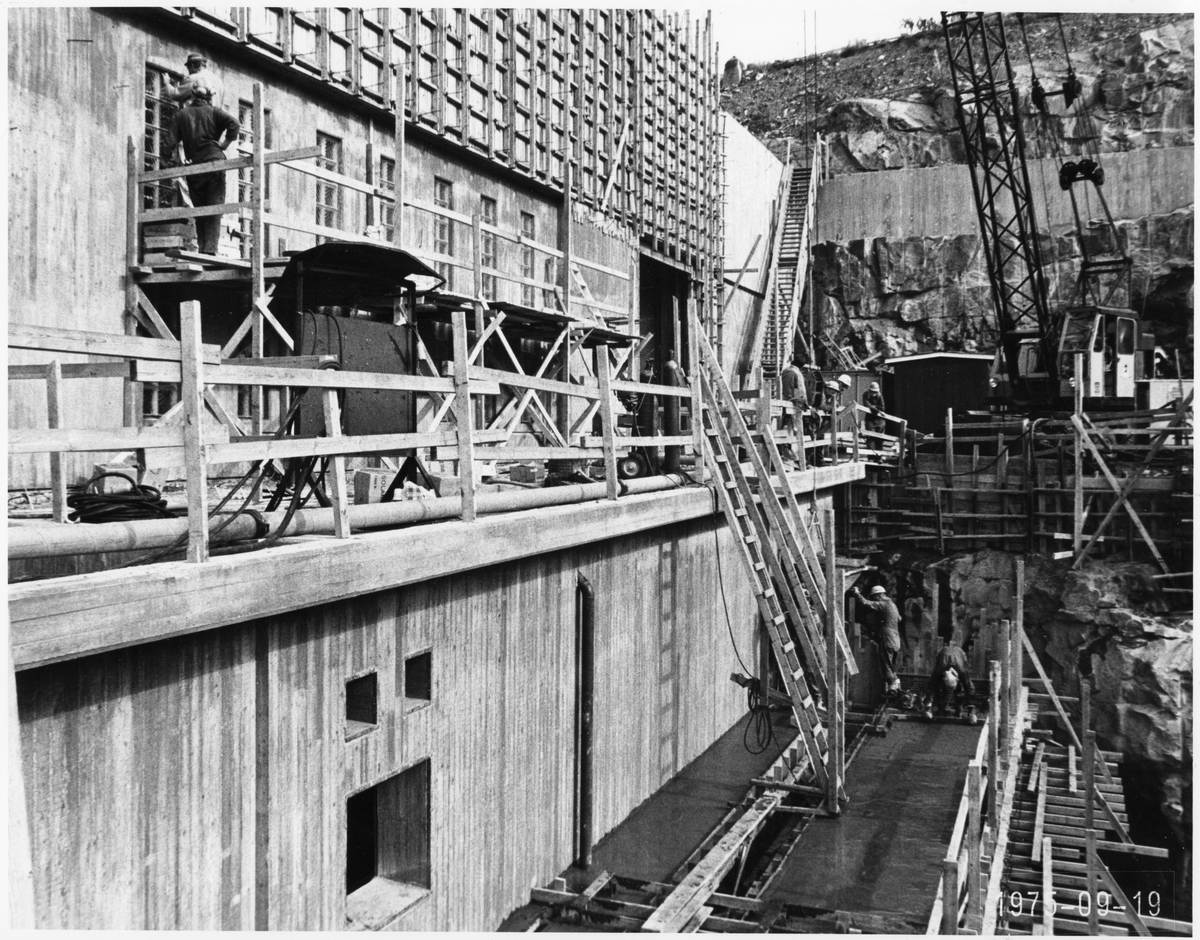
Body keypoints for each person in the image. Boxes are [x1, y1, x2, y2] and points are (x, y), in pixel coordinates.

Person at [166, 88, 240, 255]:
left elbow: (170, 141)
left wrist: (166, 162)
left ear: (192, 96)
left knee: (199, 209)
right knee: (214, 207)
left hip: (195, 166)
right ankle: (210, 250)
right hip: (214, 164)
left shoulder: (181, 115)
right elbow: (235, 124)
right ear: (208, 98)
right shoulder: (214, 112)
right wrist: (224, 144)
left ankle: (203, 248)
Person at [852, 583, 902, 695]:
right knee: (891, 665)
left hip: (887, 638)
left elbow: (866, 603)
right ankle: (896, 687)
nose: (874, 600)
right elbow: (899, 618)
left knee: (886, 664)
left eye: (874, 598)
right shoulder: (893, 605)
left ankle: (893, 690)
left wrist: (857, 593)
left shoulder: (883, 604)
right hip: (896, 640)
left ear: (879, 595)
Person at [927, 638, 975, 717]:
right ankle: (941, 711)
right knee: (940, 689)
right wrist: (927, 708)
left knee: (960, 690)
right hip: (943, 654)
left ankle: (959, 711)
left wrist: (971, 712)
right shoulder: (939, 668)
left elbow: (969, 688)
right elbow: (931, 685)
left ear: (957, 679)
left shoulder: (962, 670)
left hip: (960, 654)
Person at [779, 358, 807, 460]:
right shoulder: (797, 373)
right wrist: (804, 402)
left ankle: (784, 450)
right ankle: (786, 450)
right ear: (802, 366)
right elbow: (801, 390)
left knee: (784, 425)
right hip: (792, 402)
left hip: (784, 400)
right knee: (791, 427)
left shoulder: (785, 371)